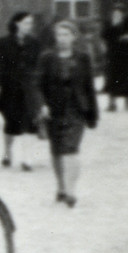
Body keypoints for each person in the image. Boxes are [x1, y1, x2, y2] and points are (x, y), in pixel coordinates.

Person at [35, 18, 99, 207]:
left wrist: (92, 113)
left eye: (65, 35)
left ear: (73, 37)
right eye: (58, 35)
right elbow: (37, 85)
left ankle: (71, 191)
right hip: (53, 109)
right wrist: (42, 105)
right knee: (56, 151)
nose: (61, 38)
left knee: (70, 150)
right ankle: (61, 186)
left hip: (76, 109)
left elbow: (89, 86)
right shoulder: (47, 57)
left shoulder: (83, 58)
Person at [0, 11, 44, 170]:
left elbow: (39, 66)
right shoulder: (3, 42)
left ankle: (27, 159)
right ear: (17, 24)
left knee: (29, 122)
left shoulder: (35, 43)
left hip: (28, 88)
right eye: (26, 23)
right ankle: (7, 152)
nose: (29, 26)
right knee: (11, 122)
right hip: (9, 88)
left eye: (30, 23)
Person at [102, 5, 128, 112]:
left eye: (119, 14)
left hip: (127, 56)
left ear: (123, 15)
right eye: (115, 14)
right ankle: (112, 103)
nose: (117, 16)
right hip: (113, 56)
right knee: (112, 79)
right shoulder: (109, 24)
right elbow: (104, 36)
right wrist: (114, 25)